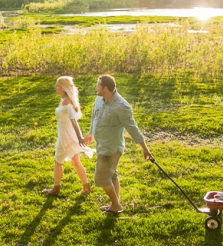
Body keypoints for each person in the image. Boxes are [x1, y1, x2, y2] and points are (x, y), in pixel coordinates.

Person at [82, 75, 153, 214]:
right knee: (112, 175)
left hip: (111, 149)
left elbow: (133, 129)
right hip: (102, 145)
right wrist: (91, 132)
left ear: (106, 88)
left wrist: (145, 149)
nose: (96, 87)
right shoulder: (99, 99)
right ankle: (115, 203)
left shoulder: (121, 106)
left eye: (98, 85)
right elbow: (94, 116)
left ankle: (116, 206)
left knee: (101, 179)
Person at [42, 76, 94, 196]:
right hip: (64, 136)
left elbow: (73, 121)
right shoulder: (65, 100)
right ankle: (85, 187)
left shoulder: (67, 102)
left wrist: (80, 138)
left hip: (67, 137)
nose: (56, 88)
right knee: (73, 161)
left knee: (61, 161)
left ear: (63, 87)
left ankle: (57, 189)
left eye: (57, 85)